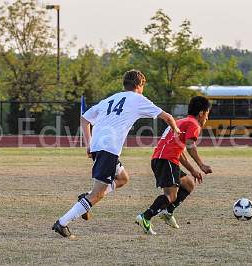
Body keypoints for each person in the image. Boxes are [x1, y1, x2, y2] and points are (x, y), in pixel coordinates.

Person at [52, 69, 181, 238]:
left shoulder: (110, 99)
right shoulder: (137, 98)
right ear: (139, 85)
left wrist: (89, 144)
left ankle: (86, 199)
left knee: (122, 179)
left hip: (100, 145)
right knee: (97, 194)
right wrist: (177, 130)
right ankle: (62, 223)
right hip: (108, 148)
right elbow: (168, 117)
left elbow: (85, 119)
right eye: (143, 86)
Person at [135, 96, 213, 235]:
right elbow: (190, 145)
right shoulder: (194, 124)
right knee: (171, 196)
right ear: (201, 113)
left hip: (163, 159)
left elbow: (180, 152)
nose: (207, 119)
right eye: (207, 115)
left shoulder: (182, 121)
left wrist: (192, 170)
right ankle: (145, 217)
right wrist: (201, 165)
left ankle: (167, 212)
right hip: (166, 160)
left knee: (188, 184)